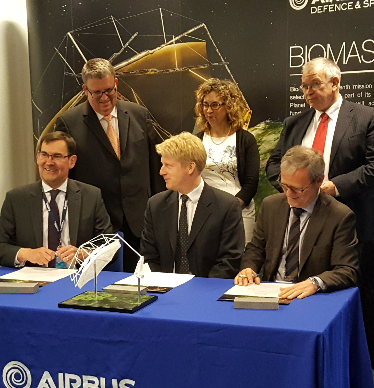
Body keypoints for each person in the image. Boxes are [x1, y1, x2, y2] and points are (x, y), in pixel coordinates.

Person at [265, 57, 374, 362]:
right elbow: (274, 165)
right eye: (303, 85)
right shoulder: (295, 123)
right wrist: (295, 191)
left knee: (355, 296)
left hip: (351, 222)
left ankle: (356, 361)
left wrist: (331, 187)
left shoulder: (365, 117)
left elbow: (373, 167)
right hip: (301, 220)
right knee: (304, 292)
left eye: (314, 84)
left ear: (335, 83)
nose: (307, 91)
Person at [54, 58, 165, 272]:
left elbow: (155, 167)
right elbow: (65, 177)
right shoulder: (69, 122)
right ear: (85, 89)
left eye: (109, 90)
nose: (104, 98)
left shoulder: (139, 114)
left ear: (116, 83)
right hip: (95, 223)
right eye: (97, 93)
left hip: (139, 222)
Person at [235, 146, 359, 299]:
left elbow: (347, 270)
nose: (288, 194)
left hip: (309, 297)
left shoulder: (339, 216)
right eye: (284, 186)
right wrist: (248, 268)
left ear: (319, 181)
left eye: (297, 189)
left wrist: (315, 282)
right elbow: (256, 248)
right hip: (270, 292)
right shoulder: (271, 206)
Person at [140, 132, 245, 278]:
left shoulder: (227, 207)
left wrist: (197, 291)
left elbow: (229, 262)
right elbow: (149, 257)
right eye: (162, 164)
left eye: (168, 166)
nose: (161, 171)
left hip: (206, 291)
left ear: (190, 167)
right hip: (164, 290)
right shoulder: (155, 205)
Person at [0, 131, 112, 268]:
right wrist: (26, 253)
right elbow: (2, 246)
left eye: (57, 156)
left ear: (72, 161)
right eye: (44, 155)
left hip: (75, 278)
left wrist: (84, 253)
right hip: (33, 279)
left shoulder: (91, 196)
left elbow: (110, 245)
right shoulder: (16, 199)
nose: (49, 162)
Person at [194, 78, 259, 243]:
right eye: (205, 104)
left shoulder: (245, 140)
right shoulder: (197, 140)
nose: (209, 110)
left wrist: (229, 209)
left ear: (229, 106)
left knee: (240, 265)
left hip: (239, 213)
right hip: (204, 213)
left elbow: (251, 183)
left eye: (215, 104)